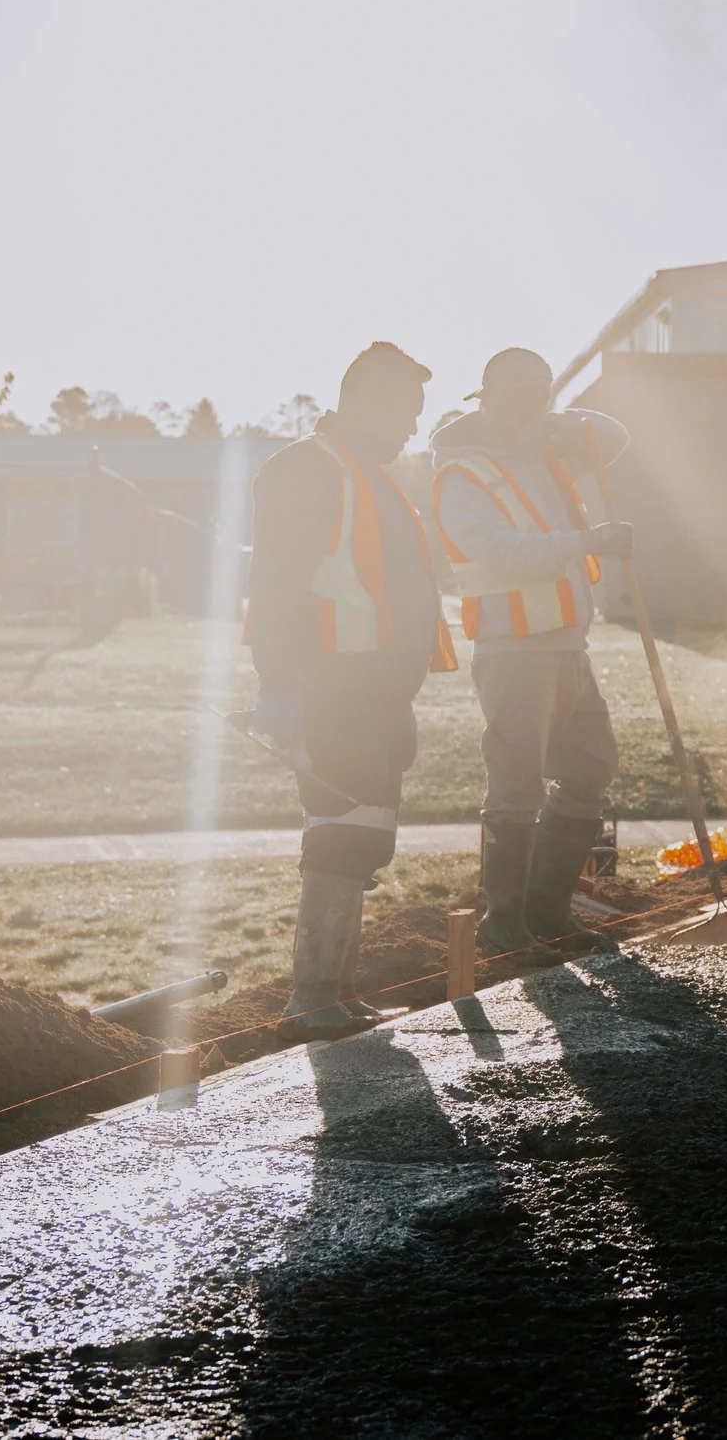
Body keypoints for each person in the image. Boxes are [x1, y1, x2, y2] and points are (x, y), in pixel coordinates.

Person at [246, 342, 457, 1042]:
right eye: (403, 413)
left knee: (364, 834)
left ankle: (339, 990)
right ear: (366, 402)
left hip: (376, 692)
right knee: (339, 835)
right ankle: (309, 997)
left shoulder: (373, 475)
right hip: (332, 686)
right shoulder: (308, 468)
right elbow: (274, 584)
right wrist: (278, 686)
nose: (410, 429)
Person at [431, 348, 637, 967]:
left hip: (568, 644)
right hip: (513, 651)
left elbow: (614, 437)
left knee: (590, 769)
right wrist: (588, 542)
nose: (532, 401)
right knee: (517, 786)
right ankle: (504, 921)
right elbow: (499, 554)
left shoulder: (542, 458)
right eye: (519, 390)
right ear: (484, 393)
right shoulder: (460, 476)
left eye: (541, 390)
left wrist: (557, 420)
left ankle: (548, 911)